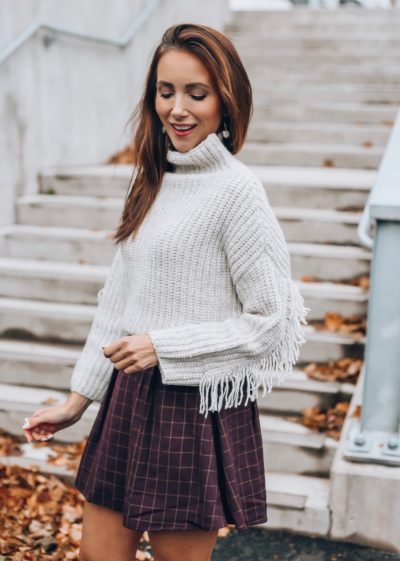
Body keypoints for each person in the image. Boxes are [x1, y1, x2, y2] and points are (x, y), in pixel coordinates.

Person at [22, 22, 310, 561]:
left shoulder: (238, 193)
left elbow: (272, 320)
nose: (177, 108)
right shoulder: (151, 178)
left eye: (196, 94)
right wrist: (77, 401)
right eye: (166, 91)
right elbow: (116, 303)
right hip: (129, 398)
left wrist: (165, 346)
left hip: (195, 407)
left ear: (227, 101)